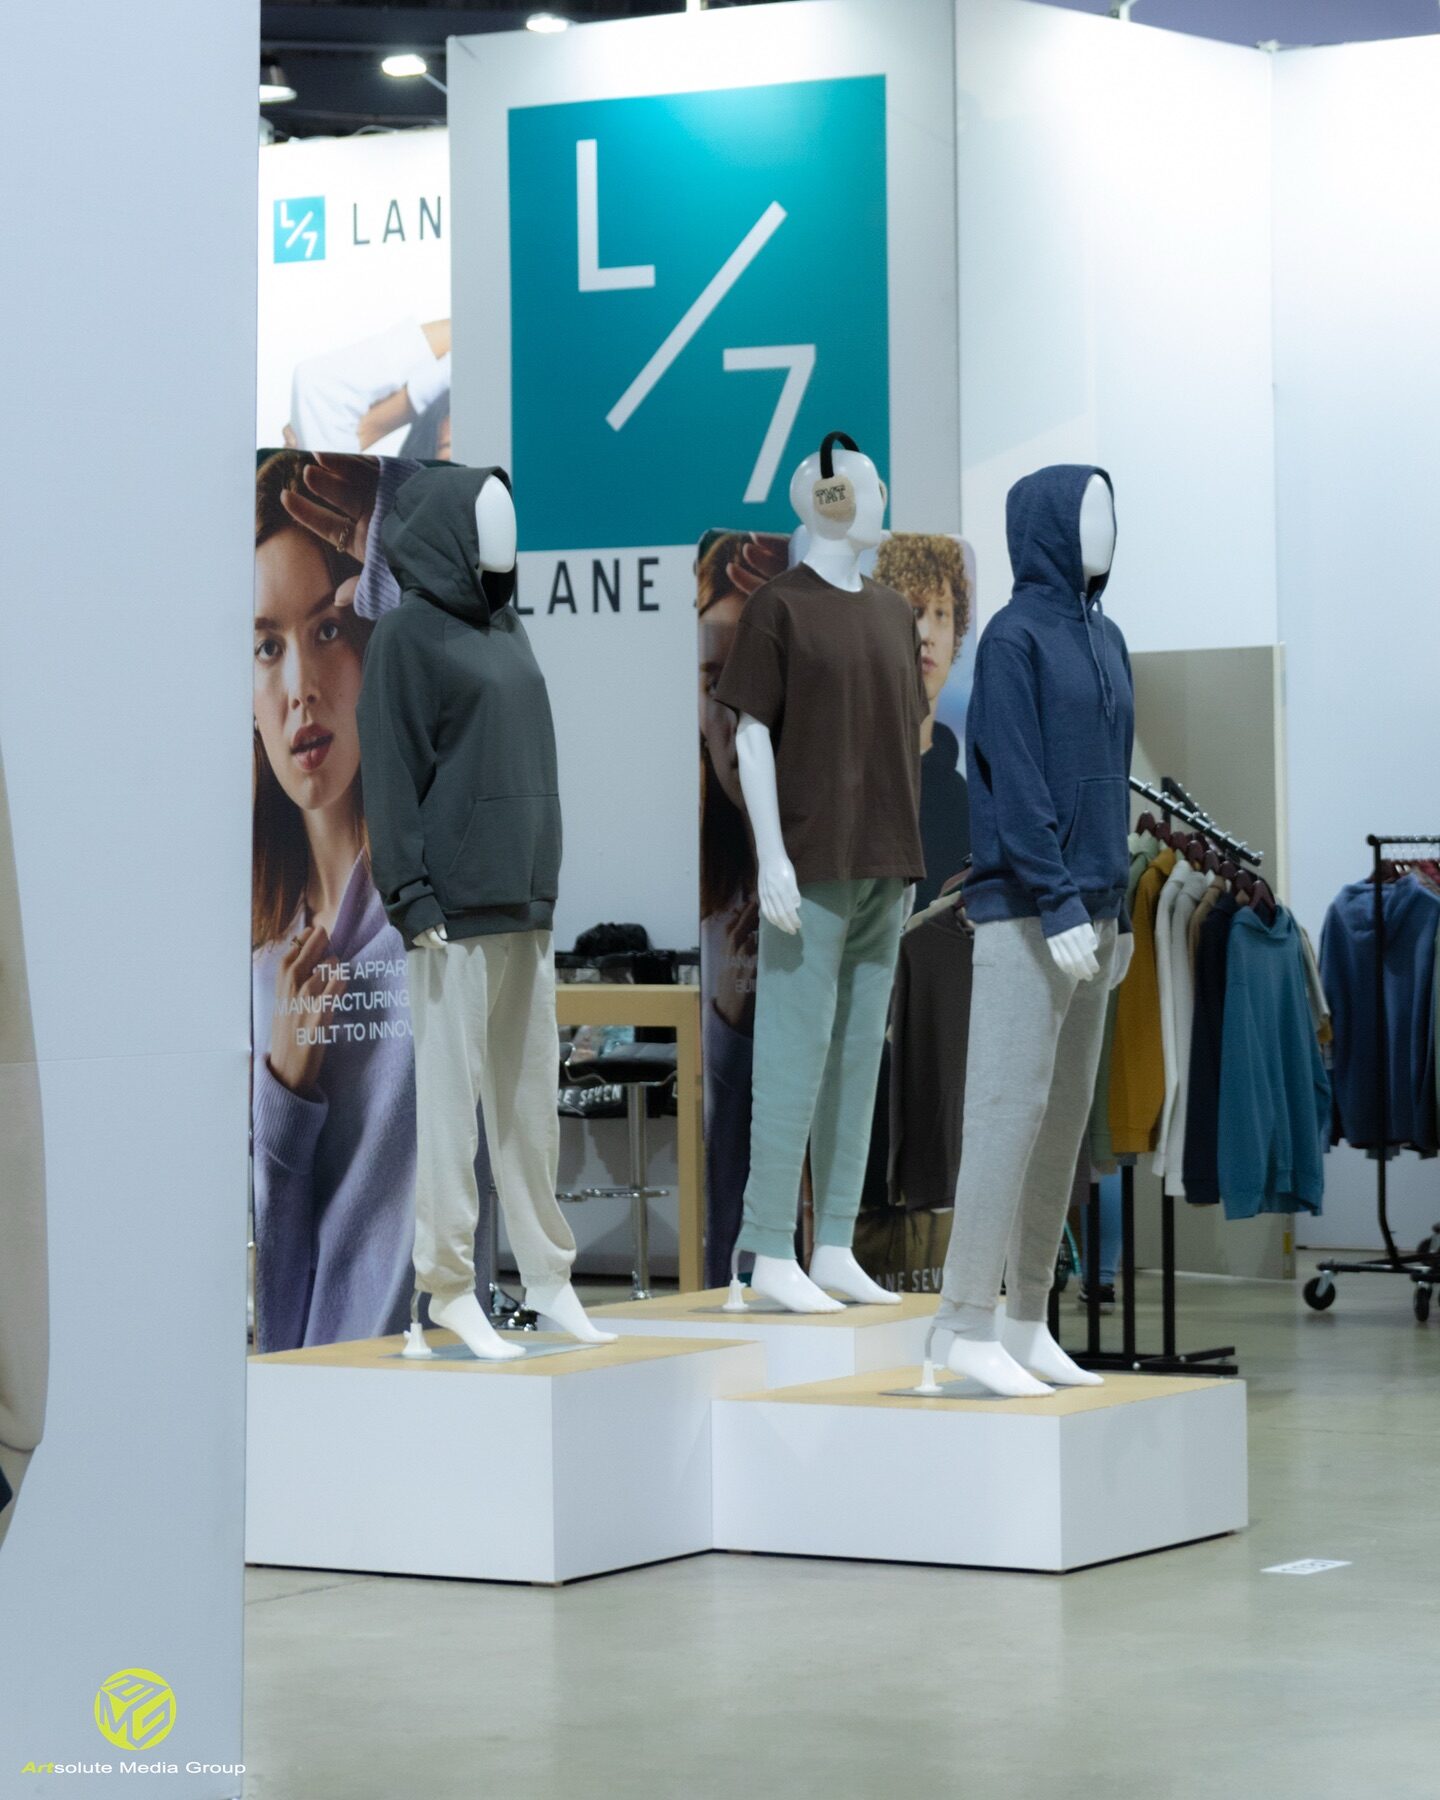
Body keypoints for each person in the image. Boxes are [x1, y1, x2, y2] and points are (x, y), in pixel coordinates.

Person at [251, 451, 430, 1350]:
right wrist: (285, 1089)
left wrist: (393, 528)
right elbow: (269, 1267)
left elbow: (462, 649)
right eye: (267, 647)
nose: (300, 690)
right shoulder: (257, 961)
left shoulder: (432, 910)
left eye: (328, 630)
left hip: (434, 1386)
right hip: (301, 1394)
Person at [697, 530, 788, 1285]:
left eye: (757, 675)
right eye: (713, 681)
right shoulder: (710, 897)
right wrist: (729, 1022)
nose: (736, 712)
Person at [873, 535, 973, 910]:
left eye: (941, 614)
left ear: (957, 632)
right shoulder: (860, 777)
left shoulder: (961, 798)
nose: (927, 635)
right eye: (915, 612)